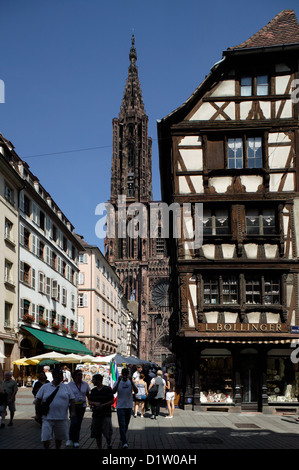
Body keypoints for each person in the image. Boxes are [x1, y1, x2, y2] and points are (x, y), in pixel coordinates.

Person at [35, 367, 76, 449]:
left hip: (61, 418)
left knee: (59, 438)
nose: (60, 377)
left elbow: (72, 400)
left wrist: (73, 412)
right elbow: (38, 400)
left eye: (61, 375)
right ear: (53, 376)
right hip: (47, 418)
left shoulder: (66, 387)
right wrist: (37, 414)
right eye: (58, 375)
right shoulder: (45, 387)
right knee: (45, 438)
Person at [112, 368, 138, 449]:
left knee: (126, 424)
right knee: (122, 425)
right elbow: (113, 391)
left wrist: (131, 381)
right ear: (122, 374)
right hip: (120, 407)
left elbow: (136, 391)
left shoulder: (131, 382)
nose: (125, 376)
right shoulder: (118, 382)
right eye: (124, 374)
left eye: (126, 374)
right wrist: (119, 381)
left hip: (129, 406)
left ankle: (122, 437)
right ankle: (125, 442)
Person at [66, 369, 90, 448]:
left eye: (81, 375)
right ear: (74, 376)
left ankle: (76, 440)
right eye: (79, 375)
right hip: (73, 406)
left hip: (82, 406)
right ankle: (70, 438)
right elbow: (67, 396)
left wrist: (90, 402)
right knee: (74, 422)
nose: (80, 376)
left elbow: (87, 394)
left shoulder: (85, 384)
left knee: (79, 423)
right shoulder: (69, 385)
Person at [89, 374, 114, 449]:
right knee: (97, 432)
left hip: (106, 414)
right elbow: (90, 401)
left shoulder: (107, 389)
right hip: (96, 415)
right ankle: (99, 447)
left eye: (93, 380)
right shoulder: (93, 391)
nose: (92, 381)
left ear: (98, 380)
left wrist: (102, 405)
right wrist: (94, 403)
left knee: (107, 432)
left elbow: (112, 401)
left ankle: (109, 444)